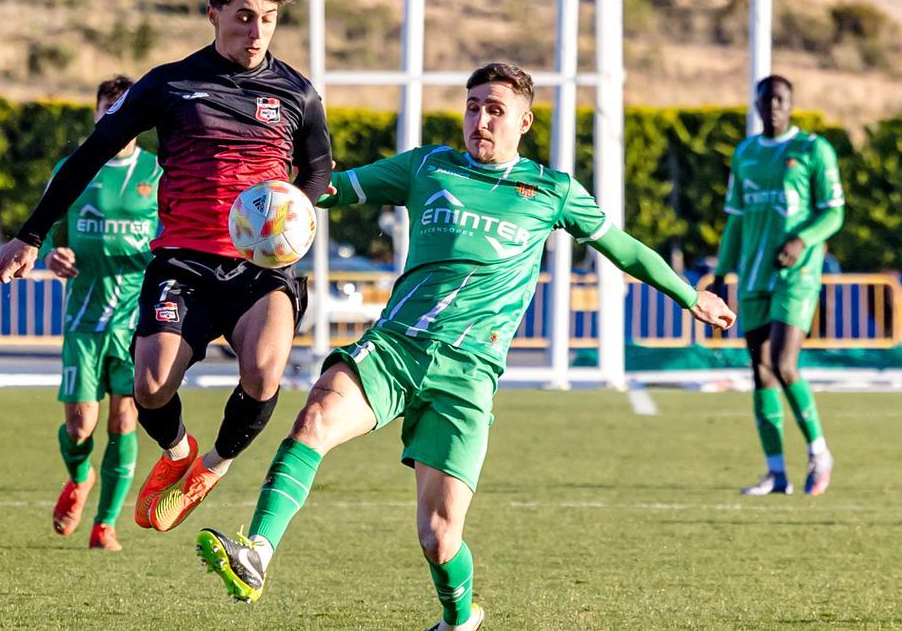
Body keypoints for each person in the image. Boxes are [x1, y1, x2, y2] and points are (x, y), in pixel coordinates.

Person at [193, 62, 736, 630]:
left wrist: (687, 294)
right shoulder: (427, 165)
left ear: (524, 121)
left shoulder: (552, 191)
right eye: (473, 105)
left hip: (469, 374)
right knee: (314, 421)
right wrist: (274, 192)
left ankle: (459, 620)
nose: (479, 119)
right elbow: (331, 190)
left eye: (494, 109)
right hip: (395, 347)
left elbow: (623, 248)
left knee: (438, 535)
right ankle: (257, 551)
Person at [0, 0, 332, 535]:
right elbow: (90, 155)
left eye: (269, 20)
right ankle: (177, 452)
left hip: (260, 268)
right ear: (214, 13)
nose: (256, 33)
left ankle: (212, 467)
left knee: (264, 372)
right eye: (244, 17)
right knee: (150, 388)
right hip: (183, 262)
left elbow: (320, 170)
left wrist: (293, 213)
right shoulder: (169, 84)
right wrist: (31, 234)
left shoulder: (296, 91)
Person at [43, 76, 162, 551]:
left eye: (124, 108)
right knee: (80, 425)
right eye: (107, 108)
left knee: (123, 421)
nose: (115, 116)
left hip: (135, 321)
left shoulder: (158, 172)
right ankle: (79, 476)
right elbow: (51, 226)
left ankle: (105, 523)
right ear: (96, 114)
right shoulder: (73, 167)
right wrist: (53, 254)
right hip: (83, 319)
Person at [711, 75, 845, 497]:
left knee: (785, 363)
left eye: (780, 100)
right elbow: (736, 218)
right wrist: (721, 272)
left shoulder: (812, 150)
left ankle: (819, 451)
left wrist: (801, 239)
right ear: (756, 105)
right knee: (761, 371)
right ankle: (776, 474)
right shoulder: (746, 153)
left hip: (797, 275)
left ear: (791, 104)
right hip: (753, 276)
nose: (773, 107)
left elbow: (834, 213)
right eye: (766, 100)